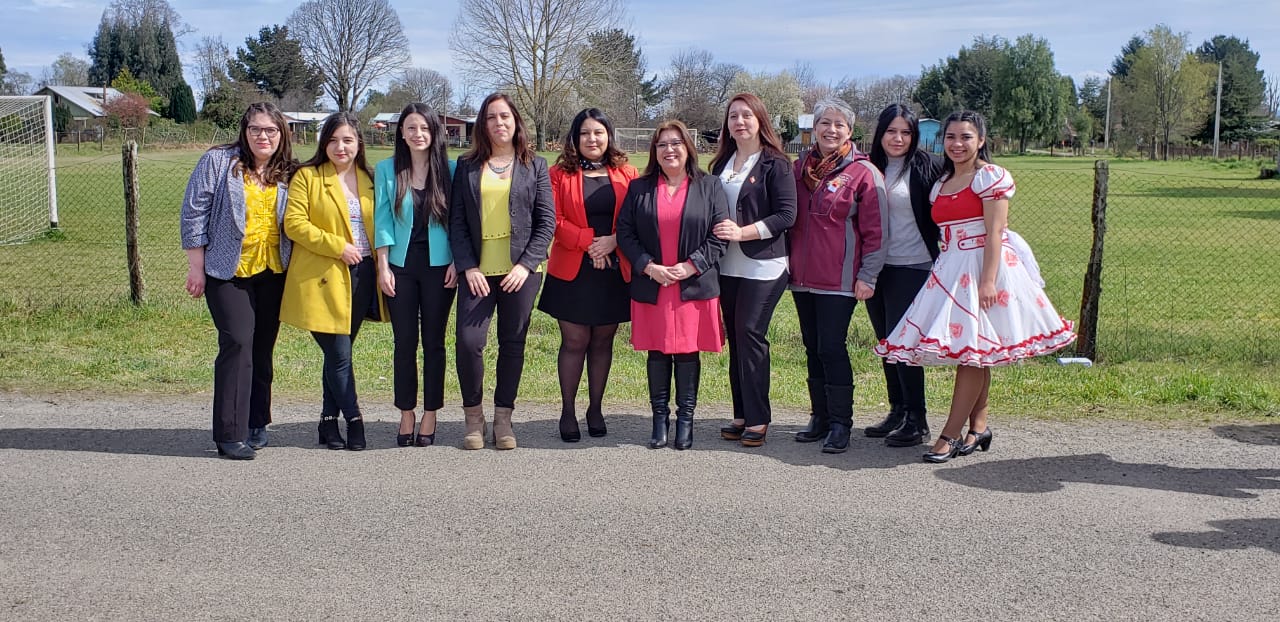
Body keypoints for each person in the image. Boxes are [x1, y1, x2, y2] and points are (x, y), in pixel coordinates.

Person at [875, 110, 1076, 463]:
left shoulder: (990, 177)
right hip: (951, 268)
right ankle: (978, 427)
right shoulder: (942, 181)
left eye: (966, 137)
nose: (957, 144)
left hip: (984, 269)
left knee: (971, 354)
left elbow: (996, 232)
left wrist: (987, 281)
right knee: (976, 352)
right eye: (951, 137)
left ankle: (950, 434)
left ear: (981, 140)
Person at [181, 102, 295, 460]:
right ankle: (230, 433)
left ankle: (256, 422)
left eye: (271, 130)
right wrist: (196, 267)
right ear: (244, 132)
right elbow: (194, 213)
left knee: (262, 349)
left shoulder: (288, 171)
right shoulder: (218, 162)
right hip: (226, 270)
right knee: (238, 342)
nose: (263, 136)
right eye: (255, 129)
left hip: (274, 273)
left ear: (282, 134)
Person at [450, 93, 555, 450]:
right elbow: (457, 222)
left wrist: (526, 265)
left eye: (505, 116)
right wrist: (467, 266)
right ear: (483, 124)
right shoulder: (466, 165)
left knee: (513, 343)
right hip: (477, 273)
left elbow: (546, 222)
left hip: (520, 273)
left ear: (516, 121)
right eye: (492, 117)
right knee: (469, 342)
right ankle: (473, 418)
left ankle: (503, 419)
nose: (499, 123)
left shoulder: (535, 165)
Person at [616, 120, 728, 451]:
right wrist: (648, 267)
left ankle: (686, 421)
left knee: (688, 352)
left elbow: (720, 235)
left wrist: (691, 265)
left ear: (688, 148)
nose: (670, 150)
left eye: (676, 143)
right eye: (662, 144)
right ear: (654, 151)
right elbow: (625, 233)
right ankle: (659, 420)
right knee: (658, 351)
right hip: (654, 284)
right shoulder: (639, 188)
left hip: (692, 285)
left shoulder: (710, 186)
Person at [280, 112, 387, 452]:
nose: (341, 147)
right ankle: (354, 420)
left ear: (359, 144)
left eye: (348, 140)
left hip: (362, 277)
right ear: (323, 143)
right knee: (339, 353)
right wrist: (337, 246)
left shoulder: (370, 179)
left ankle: (328, 421)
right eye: (333, 140)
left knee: (339, 354)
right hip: (321, 279)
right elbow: (294, 223)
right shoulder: (307, 177)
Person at [787, 98, 888, 454]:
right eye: (824, 123)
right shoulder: (798, 169)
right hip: (802, 277)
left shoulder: (863, 173)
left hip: (840, 280)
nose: (831, 130)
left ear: (850, 131)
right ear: (814, 128)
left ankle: (841, 424)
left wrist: (868, 275)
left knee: (831, 347)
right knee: (812, 347)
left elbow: (877, 231)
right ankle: (820, 416)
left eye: (839, 124)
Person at [538, 108, 639, 442]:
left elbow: (636, 218)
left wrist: (612, 242)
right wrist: (590, 243)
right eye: (585, 133)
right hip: (572, 268)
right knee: (575, 341)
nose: (592, 139)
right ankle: (567, 411)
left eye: (598, 132)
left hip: (613, 268)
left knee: (602, 342)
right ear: (574, 137)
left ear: (609, 135)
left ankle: (595, 409)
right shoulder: (557, 173)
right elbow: (552, 218)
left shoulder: (627, 173)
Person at [708, 93, 797, 448]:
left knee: (750, 333)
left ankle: (759, 418)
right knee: (736, 337)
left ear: (760, 120)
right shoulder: (720, 164)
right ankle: (741, 414)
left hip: (765, 264)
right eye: (733, 116)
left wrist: (743, 233)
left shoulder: (777, 164)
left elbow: (787, 215)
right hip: (727, 265)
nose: (740, 121)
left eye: (746, 115)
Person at [373, 103, 457, 448]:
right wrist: (382, 266)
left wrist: (457, 262)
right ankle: (406, 411)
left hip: (441, 267)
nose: (418, 134)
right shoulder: (387, 169)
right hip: (400, 266)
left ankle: (431, 412)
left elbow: (459, 222)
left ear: (435, 132)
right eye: (411, 127)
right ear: (402, 133)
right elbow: (381, 220)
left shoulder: (451, 170)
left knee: (434, 343)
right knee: (404, 342)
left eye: (424, 127)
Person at [863, 104, 945, 447]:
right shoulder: (868, 166)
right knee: (886, 342)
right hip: (875, 268)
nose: (898, 138)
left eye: (906, 132)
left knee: (904, 344)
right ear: (880, 133)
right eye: (891, 131)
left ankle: (917, 419)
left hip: (913, 266)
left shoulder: (929, 166)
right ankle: (897, 411)